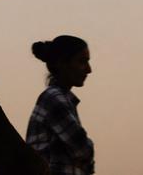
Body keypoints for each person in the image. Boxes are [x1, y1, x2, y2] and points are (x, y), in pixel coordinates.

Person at [26, 35, 95, 175]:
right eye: (82, 61)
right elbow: (82, 149)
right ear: (61, 63)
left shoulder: (60, 99)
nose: (88, 69)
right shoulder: (54, 99)